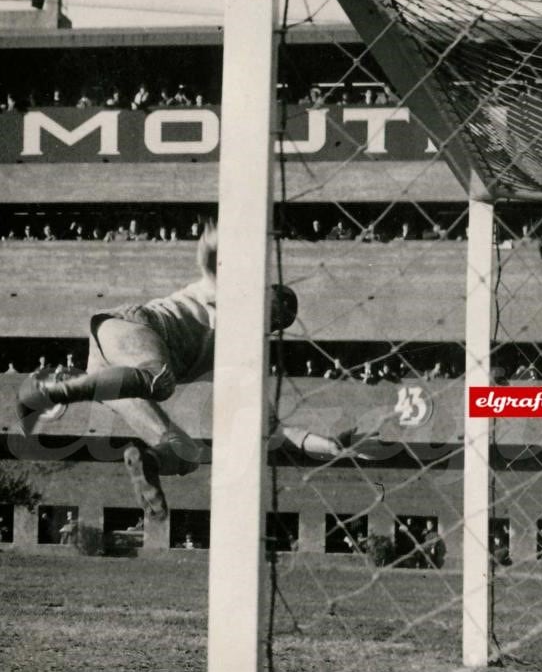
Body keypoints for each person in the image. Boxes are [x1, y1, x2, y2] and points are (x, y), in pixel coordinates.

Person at [17, 221, 344, 520]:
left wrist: (330, 447)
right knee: (160, 381)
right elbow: (208, 253)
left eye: (270, 318)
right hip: (131, 327)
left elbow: (275, 430)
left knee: (187, 454)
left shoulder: (241, 354)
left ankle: (148, 462)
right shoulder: (230, 290)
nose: (259, 315)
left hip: (116, 372)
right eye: (265, 305)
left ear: (272, 328)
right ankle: (51, 393)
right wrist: (227, 233)